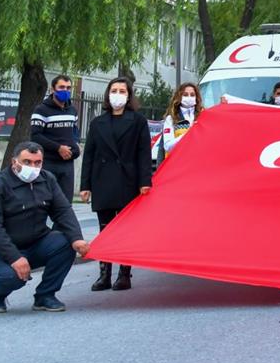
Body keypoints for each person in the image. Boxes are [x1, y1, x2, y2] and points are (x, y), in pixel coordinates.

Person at [0, 141, 90, 313]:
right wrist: (14, 257)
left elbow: (63, 211)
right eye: (27, 162)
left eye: (38, 162)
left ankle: (45, 296)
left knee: (66, 242)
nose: (33, 167)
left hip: (36, 243)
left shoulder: (47, 179)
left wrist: (77, 238)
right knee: (13, 277)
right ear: (14, 162)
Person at [80, 77, 152, 292]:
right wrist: (85, 185)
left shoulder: (138, 121)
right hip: (102, 180)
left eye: (122, 90)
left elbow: (143, 154)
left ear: (128, 95)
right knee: (105, 229)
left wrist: (144, 181)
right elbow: (89, 156)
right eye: (114, 90)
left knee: (126, 229)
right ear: (107, 94)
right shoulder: (97, 122)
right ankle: (104, 273)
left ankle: (124, 273)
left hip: (128, 181)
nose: (117, 94)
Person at [29, 74, 80, 201]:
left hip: (67, 164)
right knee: (44, 202)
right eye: (61, 87)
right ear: (53, 89)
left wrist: (76, 145)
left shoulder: (72, 110)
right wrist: (58, 148)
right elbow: (35, 136)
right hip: (48, 163)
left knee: (65, 204)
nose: (65, 91)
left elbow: (74, 132)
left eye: (68, 88)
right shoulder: (41, 110)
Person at [157, 82, 202, 166]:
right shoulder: (171, 119)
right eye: (185, 94)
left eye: (192, 95)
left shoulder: (203, 116)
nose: (189, 97)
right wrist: (187, 134)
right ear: (179, 97)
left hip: (198, 164)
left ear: (196, 98)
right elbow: (167, 146)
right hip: (177, 165)